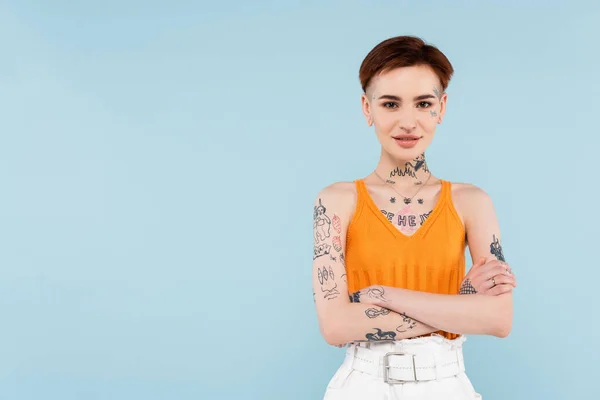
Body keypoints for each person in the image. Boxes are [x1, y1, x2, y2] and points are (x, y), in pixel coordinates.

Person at [312, 36, 517, 400]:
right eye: (391, 104)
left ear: (442, 108)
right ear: (367, 108)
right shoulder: (336, 201)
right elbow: (336, 326)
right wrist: (461, 300)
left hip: (447, 384)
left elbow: (498, 319)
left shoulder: (471, 202)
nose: (408, 122)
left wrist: (382, 295)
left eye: (424, 103)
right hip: (363, 385)